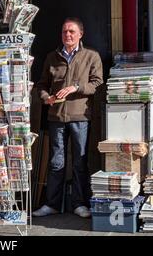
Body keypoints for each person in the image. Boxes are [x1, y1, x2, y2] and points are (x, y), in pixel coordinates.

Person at [33, 17, 103, 218]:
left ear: (81, 34)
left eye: (72, 31)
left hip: (80, 116)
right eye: (64, 32)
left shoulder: (91, 56)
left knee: (80, 162)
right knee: (56, 162)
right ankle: (52, 204)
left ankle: (79, 204)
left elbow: (97, 83)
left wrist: (77, 87)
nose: (68, 35)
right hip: (56, 117)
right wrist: (46, 98)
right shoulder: (52, 57)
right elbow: (42, 85)